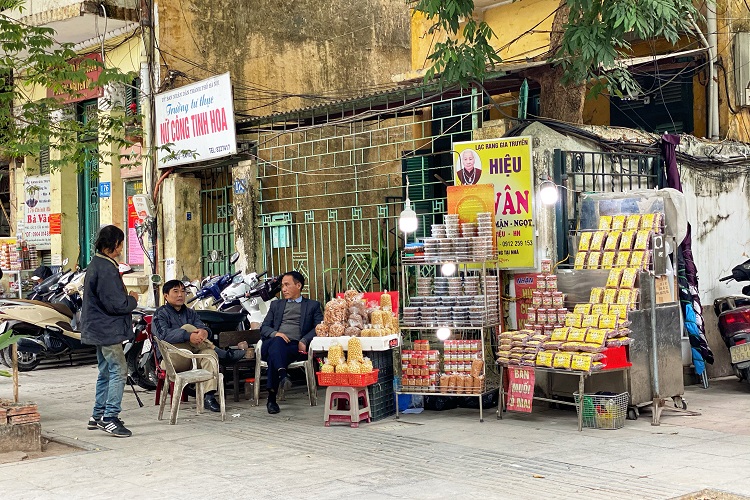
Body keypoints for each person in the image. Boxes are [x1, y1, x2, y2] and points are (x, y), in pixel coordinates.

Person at [152, 279, 246, 412]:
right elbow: (163, 335)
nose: (180, 295)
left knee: (209, 355)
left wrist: (204, 331)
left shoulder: (190, 313)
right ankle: (223, 354)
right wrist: (188, 335)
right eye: (176, 291)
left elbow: (202, 327)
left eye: (183, 291)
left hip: (193, 356)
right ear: (166, 296)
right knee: (188, 327)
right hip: (172, 359)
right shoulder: (160, 313)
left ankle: (209, 397)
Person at [81, 225, 139, 438]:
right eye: (120, 243)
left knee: (105, 370)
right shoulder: (105, 268)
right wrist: (132, 299)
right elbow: (116, 305)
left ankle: (97, 415)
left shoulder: (97, 263)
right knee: (118, 371)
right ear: (114, 245)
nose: (122, 248)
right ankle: (110, 417)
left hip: (98, 328)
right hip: (107, 330)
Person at [259, 271, 322, 414]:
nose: (283, 289)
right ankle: (282, 375)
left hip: (294, 347)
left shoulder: (313, 306)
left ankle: (272, 399)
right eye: (282, 286)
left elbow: (319, 328)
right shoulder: (276, 305)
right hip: (273, 342)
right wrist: (277, 334)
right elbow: (265, 327)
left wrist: (305, 340)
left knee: (273, 356)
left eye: (287, 285)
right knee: (277, 342)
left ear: (298, 285)